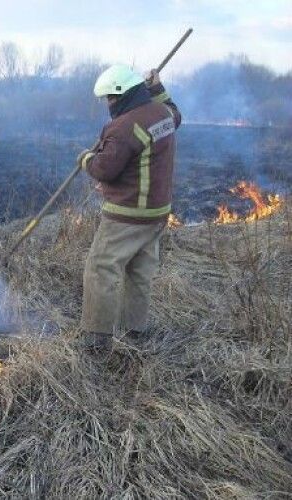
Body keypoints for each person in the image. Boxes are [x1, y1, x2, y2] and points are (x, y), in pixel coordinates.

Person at [75, 64, 182, 355]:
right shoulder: (163, 114)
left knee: (101, 269)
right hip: (158, 213)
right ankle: (134, 332)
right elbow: (175, 112)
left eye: (109, 97)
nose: (108, 103)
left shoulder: (123, 128)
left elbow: (104, 169)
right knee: (139, 271)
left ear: (121, 94)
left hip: (129, 215)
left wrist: (85, 158)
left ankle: (96, 341)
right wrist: (158, 87)